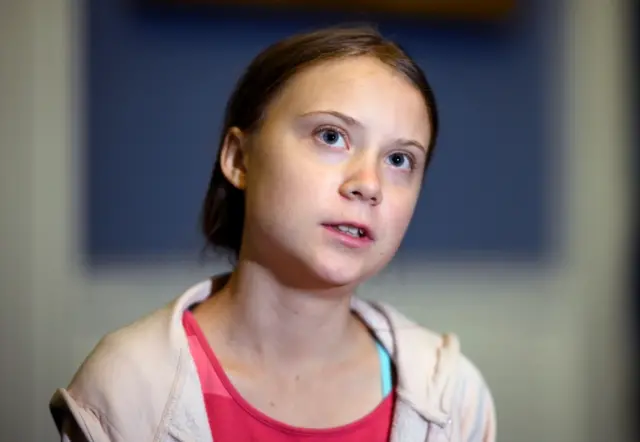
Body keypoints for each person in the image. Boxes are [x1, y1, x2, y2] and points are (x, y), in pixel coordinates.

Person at [49, 25, 496, 442]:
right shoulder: (126, 389)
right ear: (239, 159)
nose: (369, 183)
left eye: (400, 160)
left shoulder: (453, 397)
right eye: (331, 135)